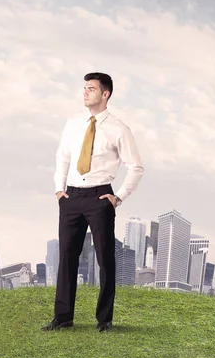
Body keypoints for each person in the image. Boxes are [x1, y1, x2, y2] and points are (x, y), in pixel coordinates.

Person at [41, 72, 144, 332]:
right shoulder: (73, 123)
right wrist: (58, 190)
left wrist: (118, 197)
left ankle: (104, 320)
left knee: (105, 259)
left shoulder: (119, 129)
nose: (85, 92)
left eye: (91, 89)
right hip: (71, 197)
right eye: (84, 88)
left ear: (105, 93)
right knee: (66, 258)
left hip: (100, 198)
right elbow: (62, 158)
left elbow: (136, 167)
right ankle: (62, 318)